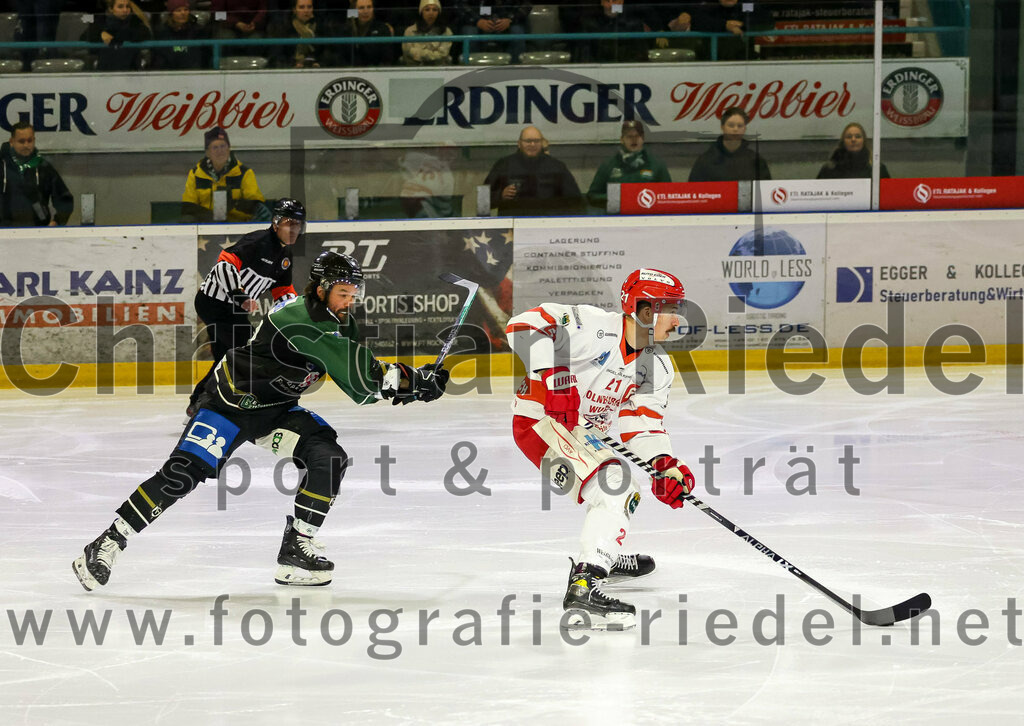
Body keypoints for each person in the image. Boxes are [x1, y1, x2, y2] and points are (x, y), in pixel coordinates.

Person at [73, 249, 451, 591]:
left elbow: (359, 386)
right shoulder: (298, 320)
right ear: (320, 290)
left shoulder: (339, 322)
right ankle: (107, 541)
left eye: (354, 295)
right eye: (342, 293)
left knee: (327, 456)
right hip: (229, 406)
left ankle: (297, 549)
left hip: (276, 411)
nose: (349, 302)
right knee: (181, 475)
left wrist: (412, 386)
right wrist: (416, 381)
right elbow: (364, 378)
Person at [505, 268, 694, 630]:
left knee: (619, 489)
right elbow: (523, 326)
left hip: (581, 433)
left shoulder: (657, 365)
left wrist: (665, 465)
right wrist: (555, 379)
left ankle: (603, 554)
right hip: (540, 422)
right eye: (670, 308)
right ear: (643, 309)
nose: (677, 319)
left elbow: (641, 422)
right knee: (616, 486)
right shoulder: (594, 327)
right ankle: (585, 581)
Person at [186, 198, 306, 417]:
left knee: (230, 357)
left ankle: (201, 402)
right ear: (276, 222)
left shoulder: (285, 256)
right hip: (214, 302)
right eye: (289, 223)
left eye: (298, 225)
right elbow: (224, 264)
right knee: (245, 352)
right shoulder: (258, 241)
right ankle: (204, 400)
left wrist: (298, 316)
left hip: (231, 309)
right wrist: (239, 295)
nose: (293, 229)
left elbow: (283, 290)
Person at [484, 126, 582, 214]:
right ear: (519, 143)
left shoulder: (556, 166)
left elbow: (576, 200)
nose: (532, 144)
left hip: (547, 225)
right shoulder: (504, 164)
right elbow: (482, 201)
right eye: (528, 141)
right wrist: (500, 196)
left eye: (536, 141)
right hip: (511, 226)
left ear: (542, 143)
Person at [182, 126, 266, 223]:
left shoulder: (244, 173)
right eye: (215, 147)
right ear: (208, 152)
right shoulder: (195, 174)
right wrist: (209, 216)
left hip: (238, 227)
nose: (220, 151)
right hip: (205, 227)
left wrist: (234, 204)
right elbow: (188, 207)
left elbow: (257, 207)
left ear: (229, 149)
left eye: (223, 146)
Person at [0, 122, 74, 228]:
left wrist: (56, 222)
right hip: (3, 232)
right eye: (21, 141)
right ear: (11, 142)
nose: (26, 145)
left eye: (29, 140)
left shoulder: (43, 167)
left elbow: (65, 199)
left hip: (38, 231)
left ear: (34, 140)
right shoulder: (1, 167)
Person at [587, 120, 671, 206]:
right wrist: (618, 198)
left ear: (643, 138)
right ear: (622, 139)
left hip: (648, 216)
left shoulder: (657, 165)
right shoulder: (608, 165)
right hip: (617, 217)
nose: (634, 140)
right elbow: (592, 196)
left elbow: (669, 195)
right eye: (629, 136)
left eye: (637, 136)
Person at [688, 106, 771, 182]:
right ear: (722, 127)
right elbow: (694, 193)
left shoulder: (756, 161)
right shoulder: (706, 161)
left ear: (745, 128)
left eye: (740, 126)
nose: (735, 129)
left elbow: (765, 191)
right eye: (731, 125)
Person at [81, 0, 152, 71]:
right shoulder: (101, 22)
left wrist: (110, 36)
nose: (125, 10)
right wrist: (100, 34)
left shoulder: (136, 23)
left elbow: (143, 35)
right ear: (111, 9)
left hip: (131, 71)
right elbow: (84, 38)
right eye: (120, 7)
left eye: (128, 7)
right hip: (104, 72)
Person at [578, 0, 655, 64]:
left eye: (615, 1)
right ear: (602, 3)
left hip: (628, 67)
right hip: (599, 67)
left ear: (621, 2)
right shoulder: (590, 24)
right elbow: (586, 52)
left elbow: (640, 51)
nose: (611, 5)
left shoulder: (633, 24)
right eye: (608, 1)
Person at [456, 0, 529, 61]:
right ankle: (470, 69)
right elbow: (459, 4)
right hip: (476, 21)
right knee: (470, 34)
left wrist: (510, 19)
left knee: (517, 34)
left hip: (509, 21)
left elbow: (527, 5)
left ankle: (514, 71)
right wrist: (477, 21)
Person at [267, 0, 333, 68]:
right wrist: (293, 64)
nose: (306, 10)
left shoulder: (321, 26)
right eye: (301, 7)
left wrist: (320, 64)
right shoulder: (284, 27)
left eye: (309, 7)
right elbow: (277, 56)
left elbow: (329, 52)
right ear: (294, 10)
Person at [817, 122, 891, 180]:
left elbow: (888, 195)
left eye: (858, 136)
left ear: (864, 141)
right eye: (849, 137)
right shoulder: (829, 169)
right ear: (843, 142)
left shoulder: (877, 169)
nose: (853, 139)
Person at [151, 0, 209, 70]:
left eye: (186, 9)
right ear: (171, 14)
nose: (183, 13)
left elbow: (204, 55)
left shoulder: (198, 31)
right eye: (178, 10)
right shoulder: (162, 32)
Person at [340, 0, 395, 67]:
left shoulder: (382, 29)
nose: (366, 11)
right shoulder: (347, 30)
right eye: (361, 8)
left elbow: (387, 58)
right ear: (354, 11)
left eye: (369, 7)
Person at [401, 0, 453, 66]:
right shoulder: (410, 31)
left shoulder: (446, 31)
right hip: (414, 69)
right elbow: (408, 51)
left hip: (439, 69)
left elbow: (443, 54)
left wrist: (421, 54)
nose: (431, 13)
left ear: (439, 12)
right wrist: (432, 55)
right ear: (421, 12)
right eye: (427, 9)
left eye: (434, 10)